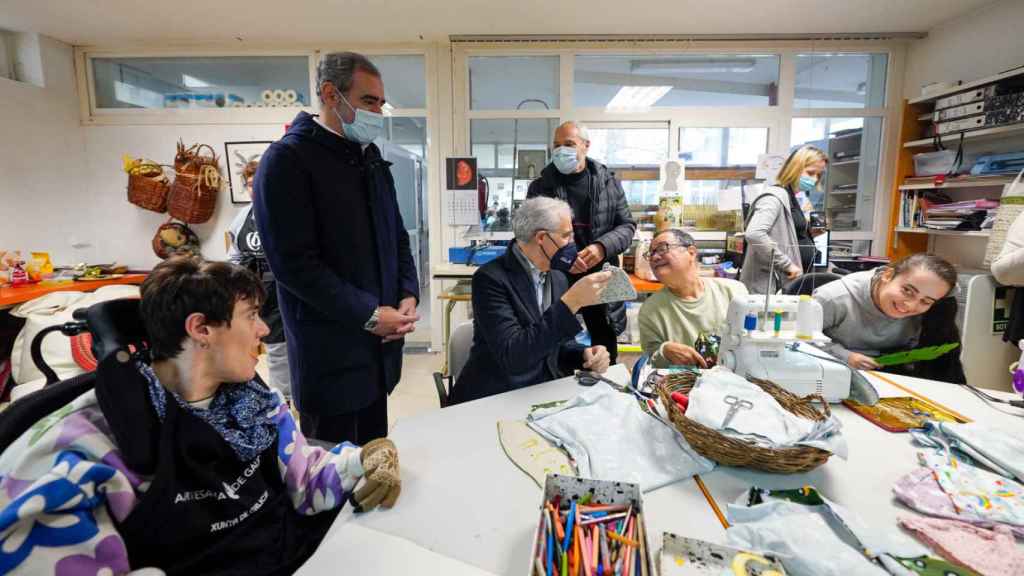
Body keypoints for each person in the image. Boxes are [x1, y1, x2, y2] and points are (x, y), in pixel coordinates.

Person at [0, 257, 401, 574]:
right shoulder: (84, 448)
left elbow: (305, 479)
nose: (263, 329)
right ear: (201, 329)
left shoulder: (253, 402)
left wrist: (361, 461)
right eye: (250, 315)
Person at [255, 52, 419, 444]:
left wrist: (407, 292)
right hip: (330, 355)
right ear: (331, 94)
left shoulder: (370, 159)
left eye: (380, 103)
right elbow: (294, 266)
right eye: (368, 102)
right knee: (331, 477)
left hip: (378, 351)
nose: (378, 112)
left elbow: (396, 235)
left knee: (373, 460)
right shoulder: (287, 161)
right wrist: (367, 313)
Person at [449, 197, 613, 404]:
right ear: (542, 238)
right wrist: (571, 303)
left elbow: (557, 345)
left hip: (542, 389)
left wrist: (584, 355)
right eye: (566, 236)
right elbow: (514, 357)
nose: (572, 243)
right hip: (497, 396)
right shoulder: (490, 279)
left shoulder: (557, 277)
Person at [528, 121, 636, 364]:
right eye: (556, 145)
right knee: (555, 340)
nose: (560, 150)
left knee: (603, 347)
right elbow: (532, 235)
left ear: (586, 146)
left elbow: (627, 226)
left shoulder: (608, 183)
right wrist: (566, 258)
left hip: (600, 278)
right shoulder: (541, 187)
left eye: (569, 144)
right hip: (558, 277)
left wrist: (601, 247)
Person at [812, 253, 963, 381]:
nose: (910, 305)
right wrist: (845, 356)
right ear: (888, 275)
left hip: (888, 377)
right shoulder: (833, 297)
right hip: (826, 372)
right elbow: (796, 341)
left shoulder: (936, 311)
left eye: (925, 301)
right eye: (907, 291)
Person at [227, 163, 290, 402]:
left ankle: (295, 397)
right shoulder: (243, 217)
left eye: (260, 183)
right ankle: (282, 399)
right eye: (251, 185)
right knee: (273, 346)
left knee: (293, 345)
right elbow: (234, 253)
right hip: (260, 288)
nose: (255, 189)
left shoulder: (290, 212)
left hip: (289, 286)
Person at [639, 229, 748, 368]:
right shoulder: (650, 310)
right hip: (684, 386)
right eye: (651, 253)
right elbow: (648, 363)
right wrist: (664, 352)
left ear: (691, 252)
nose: (654, 257)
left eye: (662, 249)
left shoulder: (734, 292)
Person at [741, 145, 828, 293]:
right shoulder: (774, 197)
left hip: (792, 282)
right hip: (771, 285)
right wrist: (787, 264)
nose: (814, 179)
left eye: (818, 175)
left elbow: (787, 234)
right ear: (794, 168)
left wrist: (810, 234)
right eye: (811, 173)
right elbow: (754, 234)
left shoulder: (794, 198)